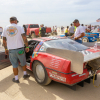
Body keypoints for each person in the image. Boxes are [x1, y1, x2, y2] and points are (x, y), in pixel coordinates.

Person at [2, 17, 30, 83]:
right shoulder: (20, 27)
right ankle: (25, 74)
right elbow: (24, 37)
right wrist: (27, 46)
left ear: (10, 21)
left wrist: (6, 48)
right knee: (23, 62)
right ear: (15, 21)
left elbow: (4, 40)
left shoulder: (5, 28)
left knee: (14, 65)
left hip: (11, 50)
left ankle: (16, 79)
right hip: (20, 49)